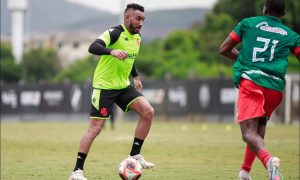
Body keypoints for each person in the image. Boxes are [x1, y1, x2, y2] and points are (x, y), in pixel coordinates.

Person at [69, 3, 154, 180]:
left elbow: (130, 59)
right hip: (104, 87)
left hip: (123, 86)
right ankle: (77, 171)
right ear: (127, 17)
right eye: (138, 18)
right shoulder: (115, 32)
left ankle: (134, 155)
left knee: (148, 112)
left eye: (143, 19)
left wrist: (136, 77)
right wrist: (111, 51)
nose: (141, 22)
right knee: (95, 129)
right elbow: (93, 47)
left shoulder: (137, 38)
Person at [219, 0, 299, 179]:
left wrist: (243, 59)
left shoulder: (248, 24)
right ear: (283, 14)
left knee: (247, 132)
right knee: (258, 127)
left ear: (264, 9)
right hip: (275, 88)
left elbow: (224, 49)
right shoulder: (291, 35)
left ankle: (269, 162)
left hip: (252, 82)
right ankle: (245, 172)